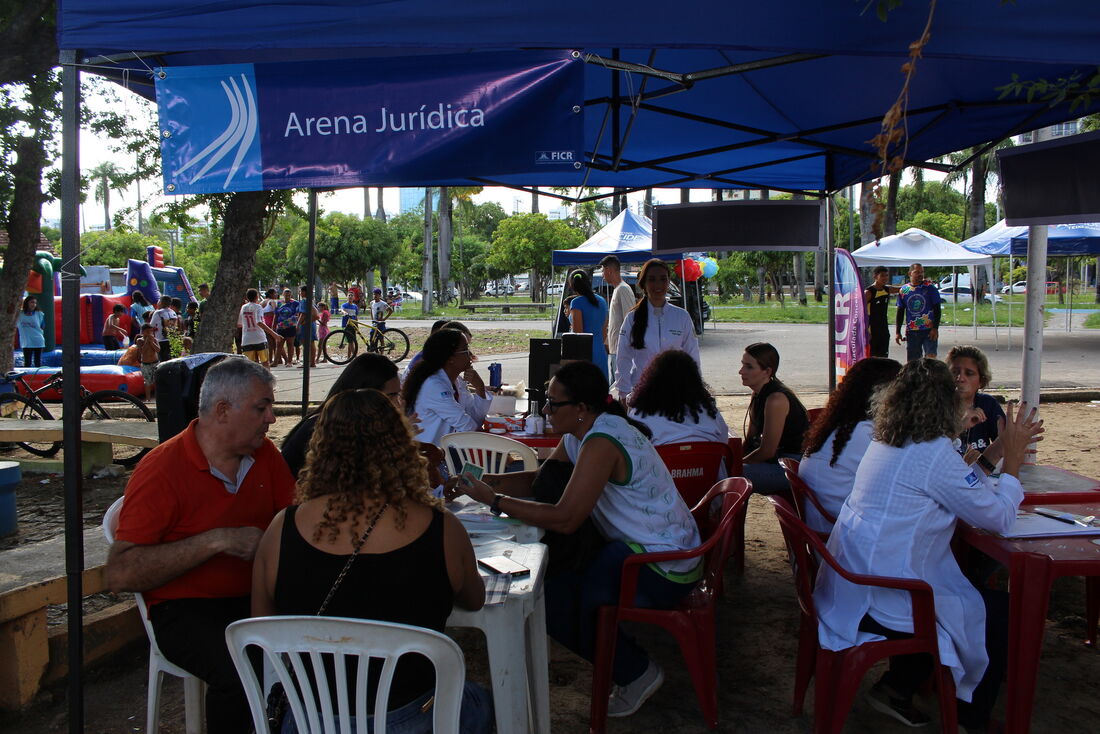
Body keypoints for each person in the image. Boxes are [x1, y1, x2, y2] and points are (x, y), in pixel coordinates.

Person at [446, 360, 700, 718]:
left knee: (558, 602)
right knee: (557, 589)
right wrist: (484, 484)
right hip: (641, 549)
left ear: (581, 408)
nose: (546, 409)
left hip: (663, 563)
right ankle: (629, 664)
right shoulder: (582, 434)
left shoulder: (602, 442)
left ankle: (636, 672)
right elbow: (540, 480)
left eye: (553, 403)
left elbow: (565, 518)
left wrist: (496, 500)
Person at [815, 359, 1044, 731]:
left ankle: (899, 687)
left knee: (962, 593)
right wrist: (1014, 464)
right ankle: (971, 718)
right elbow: (999, 519)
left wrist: (1000, 447)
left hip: (857, 581)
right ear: (948, 405)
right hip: (883, 592)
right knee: (1000, 612)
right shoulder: (932, 454)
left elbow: (958, 484)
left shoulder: (890, 441)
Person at [254, 389, 492, 734]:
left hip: (311, 720)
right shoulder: (443, 530)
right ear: (400, 447)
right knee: (485, 701)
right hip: (414, 718)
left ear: (322, 448)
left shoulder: (281, 530)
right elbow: (475, 599)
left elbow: (264, 630)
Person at [105, 358, 296, 734]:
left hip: (257, 597)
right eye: (262, 408)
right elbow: (120, 572)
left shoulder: (265, 456)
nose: (271, 419)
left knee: (331, 638)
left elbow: (294, 520)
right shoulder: (163, 468)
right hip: (185, 610)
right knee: (241, 671)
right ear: (223, 410)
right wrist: (216, 540)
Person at [798, 357, 902, 533]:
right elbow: (903, 481)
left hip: (827, 529)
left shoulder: (843, 425)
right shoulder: (865, 434)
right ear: (882, 394)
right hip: (840, 537)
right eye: (901, 391)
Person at [612, 258, 700, 402]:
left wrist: (696, 389)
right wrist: (623, 393)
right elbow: (623, 358)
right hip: (640, 393)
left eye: (663, 279)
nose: (658, 285)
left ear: (668, 282)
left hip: (676, 392)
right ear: (644, 283)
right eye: (652, 279)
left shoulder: (681, 316)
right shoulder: (632, 318)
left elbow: (693, 356)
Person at [739, 342, 810, 495]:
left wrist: (736, 464)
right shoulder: (758, 394)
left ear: (767, 371)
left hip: (792, 465)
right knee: (718, 469)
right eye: (742, 365)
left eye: (749, 367)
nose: (741, 371)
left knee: (730, 477)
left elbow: (767, 451)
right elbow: (751, 438)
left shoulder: (776, 399)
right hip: (777, 461)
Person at [402, 328, 490, 447]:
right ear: (450, 358)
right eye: (465, 350)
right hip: (432, 459)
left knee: (498, 460)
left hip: (449, 453)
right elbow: (469, 427)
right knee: (498, 461)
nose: (470, 355)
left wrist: (479, 387)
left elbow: (475, 420)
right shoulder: (433, 385)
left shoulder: (457, 380)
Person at [628, 348, 729, 446]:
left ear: (652, 382)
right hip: (708, 463)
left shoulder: (639, 416)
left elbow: (633, 451)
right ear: (694, 381)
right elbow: (724, 442)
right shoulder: (711, 414)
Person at [946, 345, 1005, 465]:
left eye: (969, 373)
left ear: (981, 381)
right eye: (954, 372)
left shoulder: (988, 404)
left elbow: (1004, 444)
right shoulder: (934, 407)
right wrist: (960, 426)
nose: (960, 378)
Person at [568, 269, 609, 380]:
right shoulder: (602, 301)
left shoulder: (576, 302)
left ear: (572, 285)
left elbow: (578, 334)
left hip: (585, 353)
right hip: (600, 350)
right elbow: (604, 331)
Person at [895, 262, 941, 362]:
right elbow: (900, 311)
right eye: (916, 272)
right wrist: (897, 332)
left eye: (922, 272)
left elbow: (937, 308)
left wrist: (935, 328)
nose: (920, 274)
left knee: (931, 359)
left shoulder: (930, 288)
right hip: (912, 331)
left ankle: (930, 378)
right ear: (910, 273)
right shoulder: (904, 290)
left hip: (928, 329)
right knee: (913, 361)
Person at [600, 254, 636, 382]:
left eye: (603, 271)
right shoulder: (617, 289)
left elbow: (630, 318)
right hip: (615, 348)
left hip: (622, 349)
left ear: (609, 270)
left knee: (620, 386)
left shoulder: (623, 289)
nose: (602, 275)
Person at [238, 288, 281, 367]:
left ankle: (250, 379)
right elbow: (259, 322)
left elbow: (239, 324)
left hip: (247, 339)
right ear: (257, 297)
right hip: (259, 338)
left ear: (247, 297)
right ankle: (267, 379)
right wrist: (274, 334)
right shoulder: (258, 307)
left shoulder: (243, 307)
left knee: (249, 364)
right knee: (265, 362)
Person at [864, 266, 899, 358]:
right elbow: (860, 313)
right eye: (882, 275)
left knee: (883, 357)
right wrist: (865, 331)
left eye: (887, 275)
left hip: (883, 329)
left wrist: (916, 284)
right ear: (875, 277)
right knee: (872, 358)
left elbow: (902, 289)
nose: (885, 278)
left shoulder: (887, 289)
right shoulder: (869, 292)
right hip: (872, 330)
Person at [16, 296, 45, 367]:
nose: (34, 304)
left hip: (38, 341)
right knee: (27, 362)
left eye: (35, 303)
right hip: (26, 341)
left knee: (37, 362)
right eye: (32, 302)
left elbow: (43, 326)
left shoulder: (39, 314)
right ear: (26, 303)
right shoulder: (19, 314)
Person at [273, 289, 299, 366]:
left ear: (291, 295)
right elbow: (276, 314)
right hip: (280, 326)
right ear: (283, 294)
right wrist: (273, 325)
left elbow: (298, 314)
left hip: (291, 326)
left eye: (289, 294)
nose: (287, 296)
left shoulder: (295, 303)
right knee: (279, 344)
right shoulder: (279, 303)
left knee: (290, 344)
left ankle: (289, 361)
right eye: (286, 294)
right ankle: (275, 362)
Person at [149, 295, 178, 363]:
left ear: (161, 302)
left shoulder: (158, 312)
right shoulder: (173, 312)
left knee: (162, 360)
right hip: (172, 339)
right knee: (171, 360)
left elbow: (151, 326)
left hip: (161, 340)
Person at [297, 286, 320, 368]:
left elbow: (303, 314)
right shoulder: (311, 301)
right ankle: (312, 362)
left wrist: (298, 324)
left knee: (306, 344)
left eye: (301, 291)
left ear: (304, 292)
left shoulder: (304, 301)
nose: (300, 293)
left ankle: (307, 362)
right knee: (311, 343)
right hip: (311, 324)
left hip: (305, 325)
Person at [138, 324, 160, 398]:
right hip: (146, 364)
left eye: (151, 331)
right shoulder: (140, 340)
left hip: (155, 362)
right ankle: (148, 398)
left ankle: (157, 397)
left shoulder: (155, 340)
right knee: (147, 382)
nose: (149, 333)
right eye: (147, 331)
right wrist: (147, 342)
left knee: (157, 381)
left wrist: (152, 342)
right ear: (143, 332)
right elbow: (142, 352)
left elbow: (158, 350)